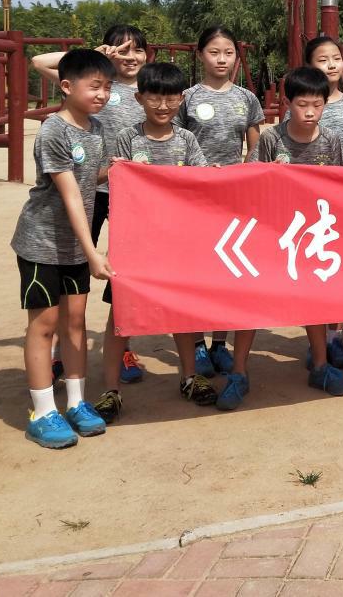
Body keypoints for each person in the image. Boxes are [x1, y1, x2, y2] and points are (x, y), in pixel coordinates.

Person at [93, 63, 217, 423]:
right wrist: (114, 169)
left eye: (171, 98)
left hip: (179, 242)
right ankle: (111, 389)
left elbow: (203, 181)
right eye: (154, 98)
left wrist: (216, 177)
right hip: (135, 245)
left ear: (182, 99)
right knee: (121, 315)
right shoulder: (127, 140)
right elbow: (105, 178)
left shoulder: (187, 140)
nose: (163, 106)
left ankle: (189, 377)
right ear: (139, 98)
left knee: (182, 311)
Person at [32, 24, 150, 385]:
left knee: (124, 276)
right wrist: (98, 54)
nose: (129, 57)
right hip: (89, 192)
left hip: (132, 197)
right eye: (121, 50)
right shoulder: (94, 83)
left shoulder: (151, 90)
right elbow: (39, 61)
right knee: (73, 271)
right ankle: (57, 353)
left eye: (137, 51)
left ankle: (123, 344)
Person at [12, 48, 115, 449]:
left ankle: (75, 402)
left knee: (75, 322)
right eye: (95, 86)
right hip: (43, 244)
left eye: (107, 87)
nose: (103, 94)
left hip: (75, 244)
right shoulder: (54, 130)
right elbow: (72, 194)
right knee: (45, 324)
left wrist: (122, 166)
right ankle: (42, 411)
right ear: (66, 86)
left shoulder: (97, 128)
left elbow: (94, 173)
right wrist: (93, 254)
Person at [236, 67, 343, 408]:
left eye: (318, 104)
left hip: (316, 236)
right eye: (303, 105)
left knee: (314, 301)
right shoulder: (272, 139)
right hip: (276, 232)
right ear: (288, 104)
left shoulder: (330, 140)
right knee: (252, 301)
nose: (311, 112)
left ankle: (320, 365)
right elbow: (252, 177)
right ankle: (239, 372)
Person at [177, 26, 265, 379]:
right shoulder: (186, 97)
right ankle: (197, 344)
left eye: (228, 52)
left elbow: (256, 146)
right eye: (214, 52)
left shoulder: (247, 98)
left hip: (233, 196)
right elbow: (175, 138)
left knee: (230, 268)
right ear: (200, 55)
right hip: (193, 195)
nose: (222, 59)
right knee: (197, 270)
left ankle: (220, 344)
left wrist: (246, 179)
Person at [303, 35, 343, 167]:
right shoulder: (300, 106)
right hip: (311, 178)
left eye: (337, 58)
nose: (332, 65)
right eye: (323, 60)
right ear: (309, 65)